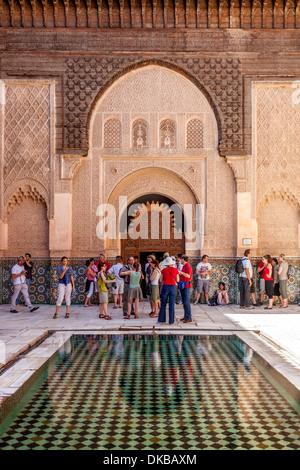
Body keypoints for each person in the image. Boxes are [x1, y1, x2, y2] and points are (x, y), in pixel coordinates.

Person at [157, 256, 179, 325]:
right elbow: (177, 280)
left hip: (165, 287)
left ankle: (161, 320)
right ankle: (171, 321)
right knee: (171, 305)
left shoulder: (163, 270)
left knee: (163, 304)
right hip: (173, 287)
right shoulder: (176, 270)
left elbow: (160, 280)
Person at [178, 255, 193, 323]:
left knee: (186, 302)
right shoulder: (184, 266)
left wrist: (181, 272)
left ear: (183, 259)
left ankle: (188, 317)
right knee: (184, 302)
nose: (180, 260)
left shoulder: (188, 266)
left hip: (186, 286)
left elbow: (188, 276)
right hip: (183, 285)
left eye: (181, 259)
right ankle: (186, 316)